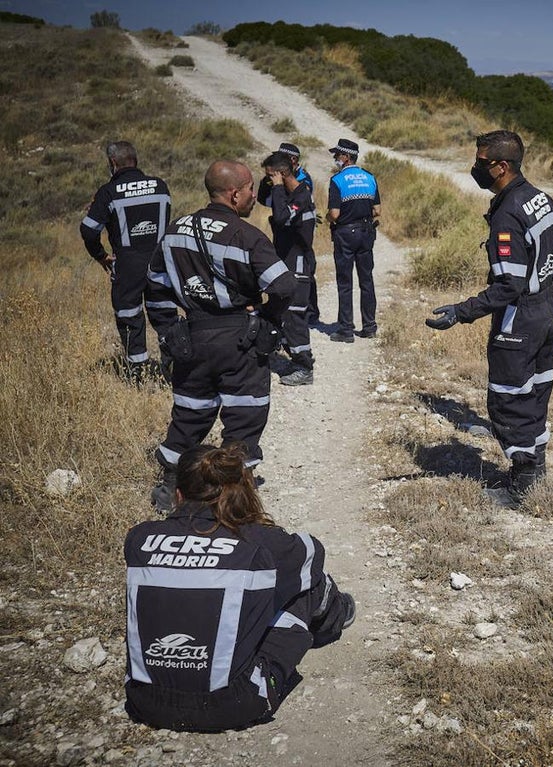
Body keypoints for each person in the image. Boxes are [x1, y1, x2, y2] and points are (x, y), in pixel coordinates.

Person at [123, 442, 355, 732]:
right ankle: (338, 614)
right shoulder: (259, 542)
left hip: (144, 700)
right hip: (231, 704)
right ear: (238, 493)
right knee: (306, 585)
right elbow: (312, 553)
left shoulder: (139, 539)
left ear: (178, 495)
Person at [145, 160, 297, 511]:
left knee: (189, 415)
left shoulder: (174, 231)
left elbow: (154, 289)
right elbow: (285, 286)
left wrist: (170, 331)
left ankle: (171, 489)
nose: (254, 196)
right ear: (234, 194)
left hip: (192, 337)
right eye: (249, 190)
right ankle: (234, 502)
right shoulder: (246, 236)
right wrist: (268, 321)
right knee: (244, 419)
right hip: (239, 339)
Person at [425, 130, 553, 501]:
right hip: (547, 311)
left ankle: (523, 484)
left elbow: (509, 286)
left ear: (502, 166)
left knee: (507, 399)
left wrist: (460, 312)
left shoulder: (507, 213)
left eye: (481, 163)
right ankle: (535, 467)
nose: (475, 169)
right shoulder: (541, 199)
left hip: (519, 320)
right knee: (534, 393)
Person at [80, 141, 174, 379]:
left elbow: (89, 229)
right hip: (160, 263)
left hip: (128, 266)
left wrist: (101, 256)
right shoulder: (160, 186)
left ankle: (138, 375)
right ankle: (175, 368)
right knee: (165, 316)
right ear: (135, 160)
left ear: (113, 163)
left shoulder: (108, 192)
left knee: (129, 318)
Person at [261, 151, 317, 386]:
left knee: (294, 314)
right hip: (285, 261)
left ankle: (304, 367)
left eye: (270, 177)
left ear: (282, 174)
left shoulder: (301, 194)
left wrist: (276, 186)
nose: (268, 182)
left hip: (299, 263)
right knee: (277, 308)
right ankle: (276, 349)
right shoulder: (287, 194)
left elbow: (282, 218)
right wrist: (272, 186)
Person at [325, 138, 380, 343]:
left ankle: (346, 330)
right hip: (366, 233)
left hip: (346, 235)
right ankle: (369, 327)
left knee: (345, 282)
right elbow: (377, 210)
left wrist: (328, 218)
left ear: (346, 157)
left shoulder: (337, 180)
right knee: (366, 280)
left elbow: (335, 213)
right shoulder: (369, 177)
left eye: (337, 155)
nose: (335, 158)